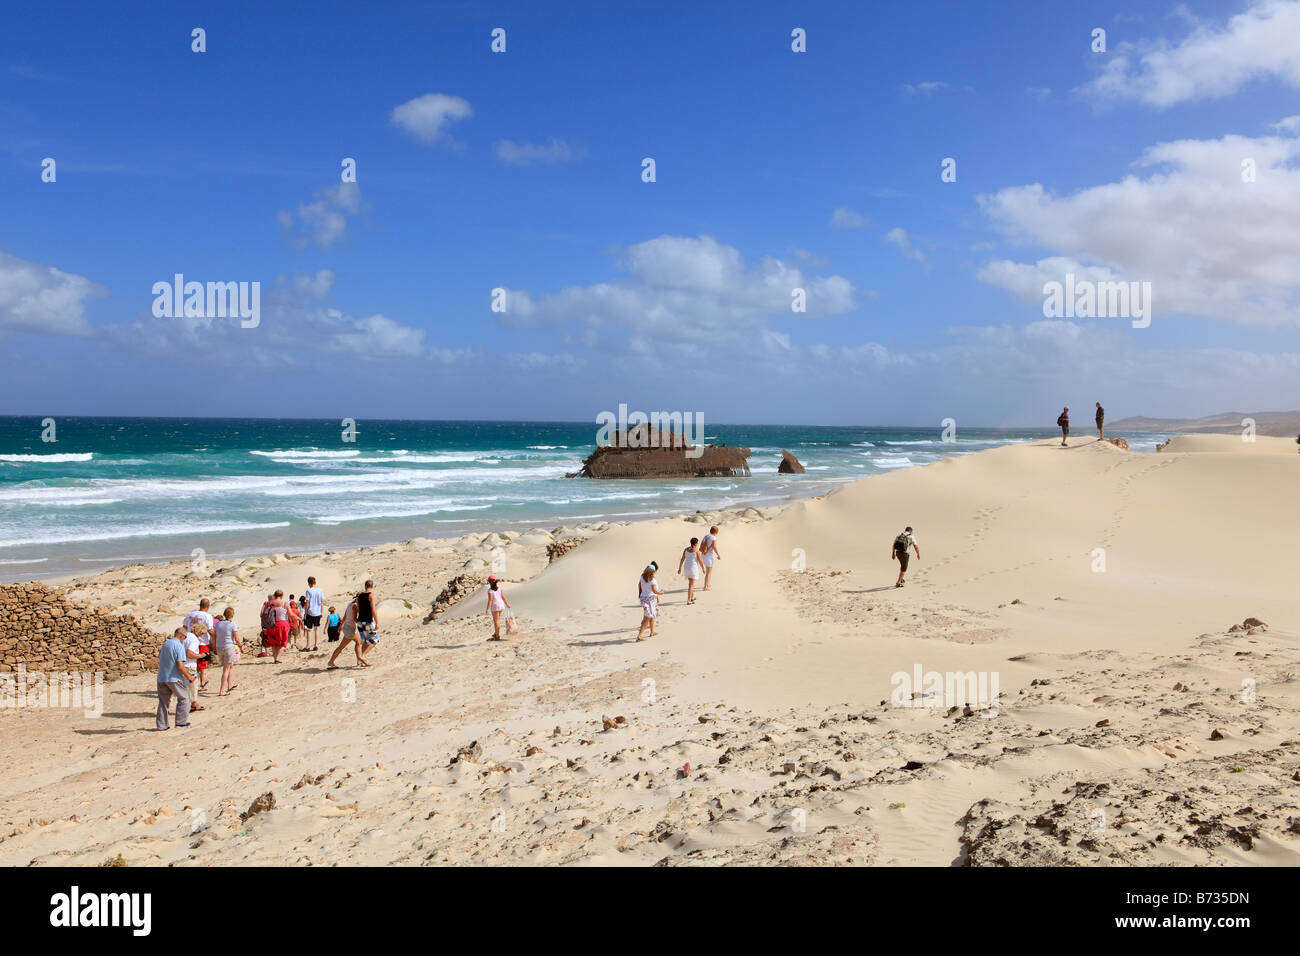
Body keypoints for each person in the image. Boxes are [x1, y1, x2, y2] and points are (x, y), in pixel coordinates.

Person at [156, 628, 194, 730]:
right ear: (182, 636)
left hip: (162, 676)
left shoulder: (166, 644)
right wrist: (188, 676)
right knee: (184, 698)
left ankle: (162, 725)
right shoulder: (179, 646)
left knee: (163, 702)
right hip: (173, 677)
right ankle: (181, 722)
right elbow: (180, 665)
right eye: (185, 637)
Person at [326, 598, 364, 668]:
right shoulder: (355, 606)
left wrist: (341, 625)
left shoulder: (350, 604)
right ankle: (331, 662)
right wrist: (361, 624)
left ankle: (359, 661)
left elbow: (345, 615)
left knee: (356, 643)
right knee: (346, 645)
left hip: (347, 627)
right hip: (350, 629)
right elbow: (354, 618)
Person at [213, 606, 241, 696]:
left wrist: (214, 647)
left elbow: (214, 637)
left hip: (219, 647)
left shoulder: (218, 624)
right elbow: (236, 638)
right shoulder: (232, 624)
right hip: (228, 646)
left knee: (229, 666)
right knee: (226, 669)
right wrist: (240, 645)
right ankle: (222, 690)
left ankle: (230, 684)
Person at [635, 566, 664, 642]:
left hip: (644, 598)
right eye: (654, 572)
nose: (654, 574)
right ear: (651, 573)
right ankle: (639, 636)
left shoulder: (642, 577)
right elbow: (655, 591)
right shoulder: (652, 581)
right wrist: (661, 593)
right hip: (650, 600)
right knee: (647, 618)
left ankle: (652, 632)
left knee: (652, 615)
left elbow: (639, 586)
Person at [183, 621, 206, 710]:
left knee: (181, 685)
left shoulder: (185, 636)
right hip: (189, 665)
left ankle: (167, 705)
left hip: (181, 664)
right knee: (192, 685)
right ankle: (194, 704)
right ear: (199, 632)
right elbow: (189, 653)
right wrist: (201, 656)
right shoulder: (194, 640)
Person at [355, 580, 379, 662]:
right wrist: (377, 622)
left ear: (365, 586)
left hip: (360, 621)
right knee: (374, 640)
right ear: (372, 586)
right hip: (368, 621)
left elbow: (358, 609)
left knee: (365, 641)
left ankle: (362, 660)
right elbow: (373, 609)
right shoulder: (371, 596)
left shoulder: (359, 596)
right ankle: (363, 655)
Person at [677, 536, 705, 604]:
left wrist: (680, 568)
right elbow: (700, 561)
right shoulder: (696, 551)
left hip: (686, 568)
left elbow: (682, 559)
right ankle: (689, 600)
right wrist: (703, 568)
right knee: (691, 585)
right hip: (693, 569)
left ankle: (692, 597)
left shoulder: (686, 549)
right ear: (695, 544)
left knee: (691, 583)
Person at [484, 575, 510, 640]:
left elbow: (490, 600)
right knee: (497, 620)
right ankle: (496, 633)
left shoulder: (490, 590)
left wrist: (487, 609)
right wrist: (507, 604)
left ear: (489, 582)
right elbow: (503, 597)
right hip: (501, 605)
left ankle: (497, 636)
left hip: (495, 606)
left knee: (496, 621)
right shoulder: (500, 587)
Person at [266, 589, 290, 663]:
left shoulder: (269, 603)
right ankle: (277, 659)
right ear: (282, 595)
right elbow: (290, 614)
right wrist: (298, 618)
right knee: (283, 643)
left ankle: (275, 658)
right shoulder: (284, 603)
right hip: (282, 624)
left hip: (271, 625)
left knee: (274, 643)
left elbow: (262, 614)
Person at [304, 576, 325, 651]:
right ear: (315, 582)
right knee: (316, 629)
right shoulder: (320, 590)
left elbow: (307, 602)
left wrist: (305, 613)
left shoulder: (308, 591)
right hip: (318, 612)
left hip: (310, 612)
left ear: (309, 583)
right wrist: (321, 612)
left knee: (309, 630)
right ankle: (316, 645)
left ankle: (308, 646)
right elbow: (322, 602)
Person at [701, 526, 721, 591]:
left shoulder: (706, 536)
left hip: (703, 555)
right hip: (709, 556)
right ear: (715, 532)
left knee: (708, 572)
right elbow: (714, 547)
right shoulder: (713, 538)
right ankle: (705, 587)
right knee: (709, 572)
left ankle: (708, 584)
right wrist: (718, 555)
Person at [258, 593, 275, 657]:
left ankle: (266, 652)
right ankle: (273, 652)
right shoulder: (274, 604)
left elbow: (261, 614)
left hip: (265, 623)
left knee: (265, 637)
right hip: (271, 623)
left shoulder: (265, 603)